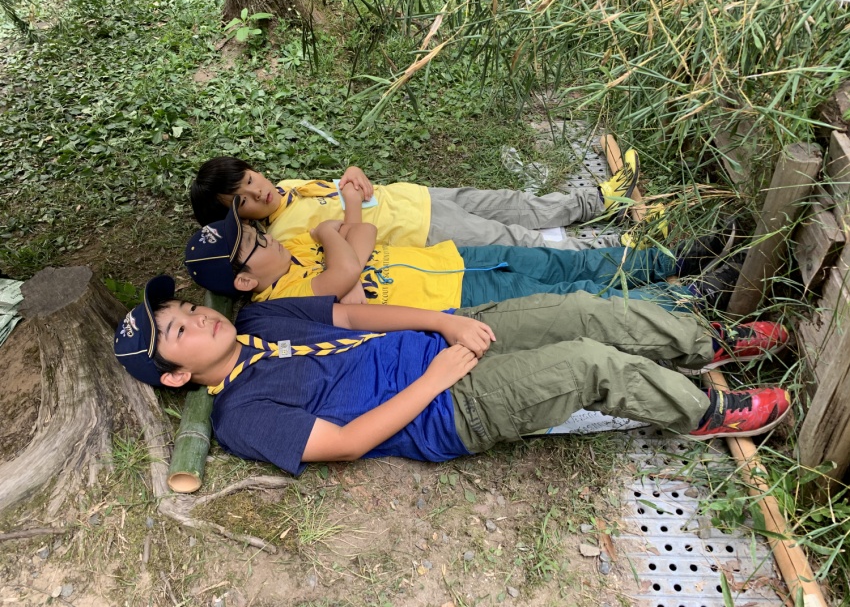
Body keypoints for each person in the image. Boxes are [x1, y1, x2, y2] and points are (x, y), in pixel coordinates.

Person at [113, 276, 791, 476]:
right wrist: (439, 376)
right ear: (176, 377)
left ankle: (705, 343)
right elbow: (346, 444)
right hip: (446, 407)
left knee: (580, 310)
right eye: (178, 332)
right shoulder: (240, 416)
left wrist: (446, 322)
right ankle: (705, 412)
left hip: (442, 343)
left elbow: (354, 311)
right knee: (587, 362)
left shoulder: (262, 316)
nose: (197, 319)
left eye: (187, 310)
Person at [183, 190, 740, 312]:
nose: (260, 236)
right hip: (454, 298)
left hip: (452, 258)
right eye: (249, 244)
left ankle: (673, 260)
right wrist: (335, 237)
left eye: (251, 231)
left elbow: (364, 241)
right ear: (245, 281)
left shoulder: (294, 247)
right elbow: (347, 266)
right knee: (571, 296)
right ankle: (689, 298)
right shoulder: (283, 299)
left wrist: (346, 251)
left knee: (565, 263)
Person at [189, 152, 643, 252]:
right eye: (243, 200)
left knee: (514, 204)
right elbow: (348, 251)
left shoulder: (290, 184)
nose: (258, 192)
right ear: (238, 218)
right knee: (515, 239)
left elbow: (350, 190)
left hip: (419, 198)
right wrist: (351, 203)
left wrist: (355, 173)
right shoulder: (286, 235)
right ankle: (621, 250)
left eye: (250, 179)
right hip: (420, 231)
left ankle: (603, 200)